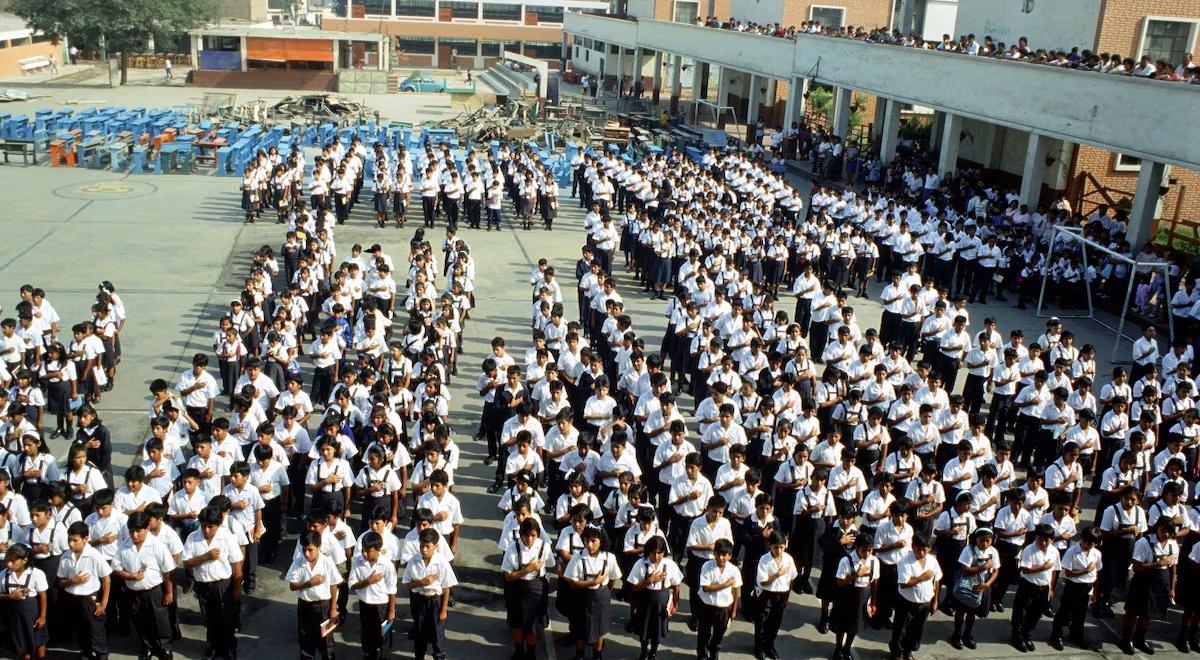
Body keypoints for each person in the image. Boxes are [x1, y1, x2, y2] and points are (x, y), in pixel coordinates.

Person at [182, 507, 243, 660]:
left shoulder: (227, 537)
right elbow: (187, 563)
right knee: (209, 619)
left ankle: (229, 647)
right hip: (203, 585)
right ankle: (214, 646)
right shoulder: (192, 538)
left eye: (211, 527)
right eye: (203, 526)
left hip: (223, 584)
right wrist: (205, 557)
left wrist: (237, 589)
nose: (206, 530)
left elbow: (236, 564)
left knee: (227, 618)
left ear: (218, 524)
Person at [113, 511, 175, 660]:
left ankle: (164, 647)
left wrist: (169, 592)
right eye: (131, 531)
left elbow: (168, 570)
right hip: (133, 592)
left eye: (138, 531)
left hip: (153, 591)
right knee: (140, 621)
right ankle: (146, 646)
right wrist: (129, 576)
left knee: (159, 620)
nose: (134, 535)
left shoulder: (157, 545)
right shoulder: (124, 546)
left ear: (147, 528)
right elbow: (116, 567)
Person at [1120, 518, 1178, 654]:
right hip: (1143, 581)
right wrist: (1157, 564)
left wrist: (1172, 588)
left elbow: (1172, 567)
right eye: (1163, 531)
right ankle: (1126, 639)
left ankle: (1140, 639)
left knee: (1149, 613)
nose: (1166, 535)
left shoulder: (1173, 545)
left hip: (1160, 583)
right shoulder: (1144, 542)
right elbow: (1137, 567)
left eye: (1169, 532)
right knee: (1133, 611)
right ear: (1157, 528)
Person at [563, 526, 621, 660]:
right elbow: (573, 582)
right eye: (587, 540)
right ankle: (580, 654)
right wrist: (593, 582)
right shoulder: (577, 558)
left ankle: (597, 655)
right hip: (582, 596)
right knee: (580, 627)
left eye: (593, 541)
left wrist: (603, 589)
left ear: (601, 541)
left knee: (599, 629)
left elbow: (613, 578)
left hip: (601, 596)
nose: (589, 545)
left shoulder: (609, 558)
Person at [57, 521, 111, 660]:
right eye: (69, 540)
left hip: (89, 599)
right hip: (72, 598)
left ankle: (101, 655)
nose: (71, 544)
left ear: (85, 539)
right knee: (81, 629)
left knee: (95, 630)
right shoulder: (65, 556)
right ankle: (86, 653)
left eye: (75, 540)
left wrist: (103, 603)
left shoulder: (94, 555)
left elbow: (106, 579)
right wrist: (72, 581)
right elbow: (60, 582)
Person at [502, 518, 555, 660]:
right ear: (521, 534)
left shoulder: (544, 547)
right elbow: (508, 576)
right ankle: (519, 650)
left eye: (533, 535)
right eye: (526, 535)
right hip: (516, 588)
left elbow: (551, 564)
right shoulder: (513, 548)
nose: (529, 539)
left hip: (536, 588)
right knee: (516, 623)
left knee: (534, 624)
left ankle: (531, 652)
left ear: (538, 534)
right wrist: (528, 569)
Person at [286, 529, 342, 660]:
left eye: (310, 550)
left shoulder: (327, 562)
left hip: (323, 606)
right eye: (304, 549)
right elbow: (292, 586)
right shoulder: (298, 562)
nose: (306, 553)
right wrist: (309, 583)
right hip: (304, 605)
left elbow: (334, 585)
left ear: (318, 547)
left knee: (326, 640)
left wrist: (333, 608)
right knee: (305, 638)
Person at [403, 527, 457, 660]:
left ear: (436, 546)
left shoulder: (442, 562)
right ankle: (419, 655)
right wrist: (421, 582)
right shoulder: (414, 561)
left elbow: (446, 588)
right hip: (419, 599)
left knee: (437, 633)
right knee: (419, 631)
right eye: (421, 546)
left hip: (435, 601)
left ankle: (439, 656)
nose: (424, 550)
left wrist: (443, 610)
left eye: (427, 546)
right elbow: (407, 584)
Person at [1049, 526, 1102, 652]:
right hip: (1073, 586)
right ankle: (1056, 635)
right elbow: (1068, 573)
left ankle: (1076, 635)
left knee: (1080, 614)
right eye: (1086, 542)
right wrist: (1085, 571)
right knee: (1064, 612)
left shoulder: (1096, 553)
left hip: (1087, 586)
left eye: (1091, 543)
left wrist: (1095, 592)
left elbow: (1098, 572)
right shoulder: (1072, 551)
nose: (1087, 545)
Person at [1010, 523, 1059, 652]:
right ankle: (1017, 636)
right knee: (1020, 611)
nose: (1043, 543)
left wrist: (1051, 588)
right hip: (1028, 585)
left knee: (1036, 614)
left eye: (1047, 540)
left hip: (1044, 587)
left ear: (1052, 540)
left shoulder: (1054, 551)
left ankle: (1026, 634)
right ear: (1036, 537)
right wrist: (1043, 567)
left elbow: (1054, 571)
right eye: (1040, 539)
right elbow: (1025, 570)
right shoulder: (1029, 550)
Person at [890, 534, 941, 660]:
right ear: (913, 546)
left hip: (924, 602)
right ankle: (896, 652)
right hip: (906, 602)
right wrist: (922, 578)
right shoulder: (905, 561)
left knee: (916, 630)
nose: (921, 553)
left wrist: (935, 601)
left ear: (930, 548)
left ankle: (907, 652)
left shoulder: (932, 561)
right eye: (919, 549)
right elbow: (904, 584)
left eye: (925, 550)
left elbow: (936, 580)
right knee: (901, 629)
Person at [349, 531, 398, 660]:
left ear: (378, 550)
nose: (364, 554)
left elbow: (392, 589)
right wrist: (368, 581)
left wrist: (391, 610)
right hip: (365, 603)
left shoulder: (387, 565)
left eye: (368, 551)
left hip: (381, 605)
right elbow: (352, 585)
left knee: (383, 634)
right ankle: (369, 654)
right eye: (363, 550)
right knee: (367, 633)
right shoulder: (357, 561)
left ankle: (384, 656)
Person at [830, 533, 878, 660]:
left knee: (855, 626)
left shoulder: (874, 561)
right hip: (847, 595)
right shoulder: (846, 561)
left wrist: (873, 601)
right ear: (857, 547)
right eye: (864, 550)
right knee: (842, 625)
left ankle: (847, 649)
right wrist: (856, 575)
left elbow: (874, 582)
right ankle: (838, 649)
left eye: (870, 550)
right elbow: (840, 582)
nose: (867, 554)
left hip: (863, 596)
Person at [0, 542, 49, 660]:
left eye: (13, 561)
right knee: (23, 643)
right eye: (7, 560)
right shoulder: (3, 574)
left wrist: (42, 616)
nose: (9, 564)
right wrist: (10, 597)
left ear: (24, 560)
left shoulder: (36, 574)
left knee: (38, 640)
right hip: (14, 615)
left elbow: (42, 596)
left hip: (32, 614)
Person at [752, 530, 796, 660]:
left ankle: (769, 646)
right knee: (762, 622)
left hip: (781, 595)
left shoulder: (788, 559)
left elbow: (791, 578)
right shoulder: (764, 560)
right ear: (770, 546)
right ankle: (759, 647)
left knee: (775, 623)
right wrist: (777, 575)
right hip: (767, 595)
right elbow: (762, 582)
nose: (779, 550)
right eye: (776, 547)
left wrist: (787, 596)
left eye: (782, 547)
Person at [695, 537, 740, 660]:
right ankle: (702, 656)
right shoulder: (707, 566)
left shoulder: (734, 570)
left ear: (730, 556)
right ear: (714, 553)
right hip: (707, 605)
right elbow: (706, 588)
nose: (721, 558)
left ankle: (714, 655)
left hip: (724, 608)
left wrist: (734, 610)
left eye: (724, 555)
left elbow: (736, 590)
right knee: (703, 634)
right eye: (718, 554)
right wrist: (725, 585)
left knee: (718, 635)